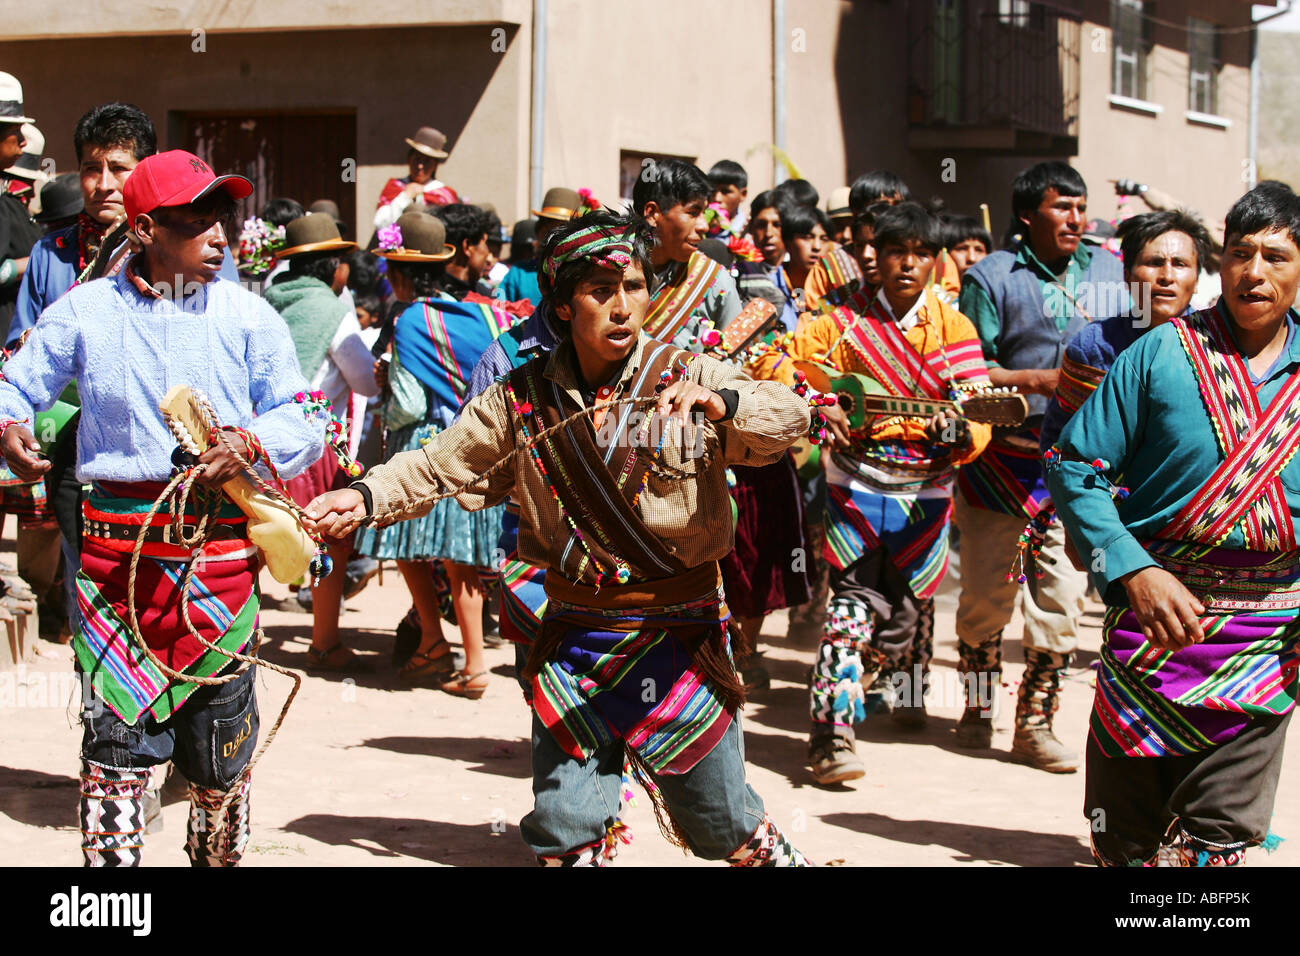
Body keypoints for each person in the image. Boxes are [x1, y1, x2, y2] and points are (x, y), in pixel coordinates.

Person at [304, 210, 813, 866]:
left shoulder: (693, 376)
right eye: (602, 292)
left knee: (720, 823)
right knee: (565, 828)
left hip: (680, 640)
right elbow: (437, 465)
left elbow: (791, 416)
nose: (623, 306)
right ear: (565, 306)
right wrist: (365, 495)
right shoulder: (519, 400)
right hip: (576, 640)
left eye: (634, 286)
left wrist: (729, 407)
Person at [0, 149, 325, 866]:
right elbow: (13, 383)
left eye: (221, 218)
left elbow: (306, 417)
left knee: (220, 758)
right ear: (144, 230)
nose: (218, 235)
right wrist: (10, 426)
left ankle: (216, 853)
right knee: (114, 750)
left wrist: (248, 441)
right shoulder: (84, 313)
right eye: (194, 221)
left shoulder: (249, 317)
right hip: (116, 568)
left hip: (222, 569)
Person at [1046, 183, 1300, 866]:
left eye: (1276, 257)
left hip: (1264, 644)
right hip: (1149, 633)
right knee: (1123, 839)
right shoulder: (1159, 354)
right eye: (1241, 254)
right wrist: (1131, 567)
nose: (1254, 272)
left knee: (1218, 845)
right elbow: (1074, 464)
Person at [753, 202, 993, 784]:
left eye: (919, 253)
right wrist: (817, 402)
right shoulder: (843, 323)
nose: (907, 264)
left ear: (935, 262)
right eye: (894, 252)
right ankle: (830, 738)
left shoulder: (954, 327)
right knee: (851, 608)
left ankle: (869, 692)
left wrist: (963, 430)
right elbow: (774, 358)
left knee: (905, 616)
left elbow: (978, 403)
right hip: (856, 485)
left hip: (928, 493)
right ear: (876, 258)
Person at [952, 161, 1126, 772]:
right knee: (983, 600)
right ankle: (976, 706)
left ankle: (1035, 723)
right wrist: (1044, 380)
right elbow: (969, 370)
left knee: (1062, 600)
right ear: (1027, 214)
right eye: (1062, 207)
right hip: (1000, 460)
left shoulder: (1113, 271)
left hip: (1076, 468)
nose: (1077, 218)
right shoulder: (991, 276)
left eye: (1082, 206)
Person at [354, 212, 512, 696]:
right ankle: (475, 664)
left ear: (398, 273)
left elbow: (408, 402)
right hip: (478, 442)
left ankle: (432, 641)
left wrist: (385, 387)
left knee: (409, 551)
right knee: (460, 558)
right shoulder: (475, 312)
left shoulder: (406, 320)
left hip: (426, 447)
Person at [264, 213, 380, 670]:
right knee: (329, 540)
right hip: (311, 447)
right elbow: (364, 381)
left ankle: (233, 636)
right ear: (335, 268)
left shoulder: (270, 300)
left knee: (254, 537)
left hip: (259, 441)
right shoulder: (334, 312)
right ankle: (324, 640)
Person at [1038, 210, 1213, 454]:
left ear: (1196, 281)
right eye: (1154, 263)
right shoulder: (1095, 346)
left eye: (1180, 264)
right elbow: (1059, 444)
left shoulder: (1219, 347)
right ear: (1127, 275)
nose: (1167, 276)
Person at [633, 159, 742, 348]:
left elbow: (734, 354)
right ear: (652, 214)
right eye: (693, 212)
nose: (704, 225)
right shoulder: (609, 271)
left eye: (704, 213)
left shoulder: (714, 281)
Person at [496, 187, 585, 307]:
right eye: (550, 230)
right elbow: (498, 311)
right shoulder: (519, 273)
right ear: (539, 231)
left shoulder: (584, 274)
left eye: (563, 231)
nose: (555, 239)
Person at [372, 126, 460, 233]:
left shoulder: (445, 194)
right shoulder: (395, 187)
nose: (420, 166)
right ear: (409, 159)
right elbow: (380, 224)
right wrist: (405, 196)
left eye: (427, 161)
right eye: (417, 160)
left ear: (435, 165)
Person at [707, 159, 749, 235]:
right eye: (713, 191)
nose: (717, 198)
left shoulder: (748, 231)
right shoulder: (700, 228)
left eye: (725, 191)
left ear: (743, 194)